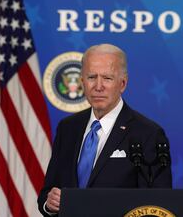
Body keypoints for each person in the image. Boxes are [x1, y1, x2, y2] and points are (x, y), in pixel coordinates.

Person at [37, 43, 172, 216]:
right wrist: (50, 204)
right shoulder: (68, 128)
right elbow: (46, 194)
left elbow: (158, 205)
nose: (98, 86)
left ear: (122, 83)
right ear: (82, 82)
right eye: (92, 77)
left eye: (107, 78)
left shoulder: (148, 134)